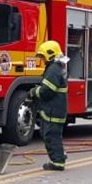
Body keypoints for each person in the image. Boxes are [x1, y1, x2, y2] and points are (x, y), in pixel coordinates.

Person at [27, 40, 68, 171]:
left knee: (51, 135)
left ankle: (58, 162)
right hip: (56, 109)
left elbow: (48, 90)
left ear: (50, 55)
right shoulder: (57, 67)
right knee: (51, 134)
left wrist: (34, 92)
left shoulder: (53, 69)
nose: (42, 60)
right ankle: (59, 155)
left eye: (43, 57)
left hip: (53, 110)